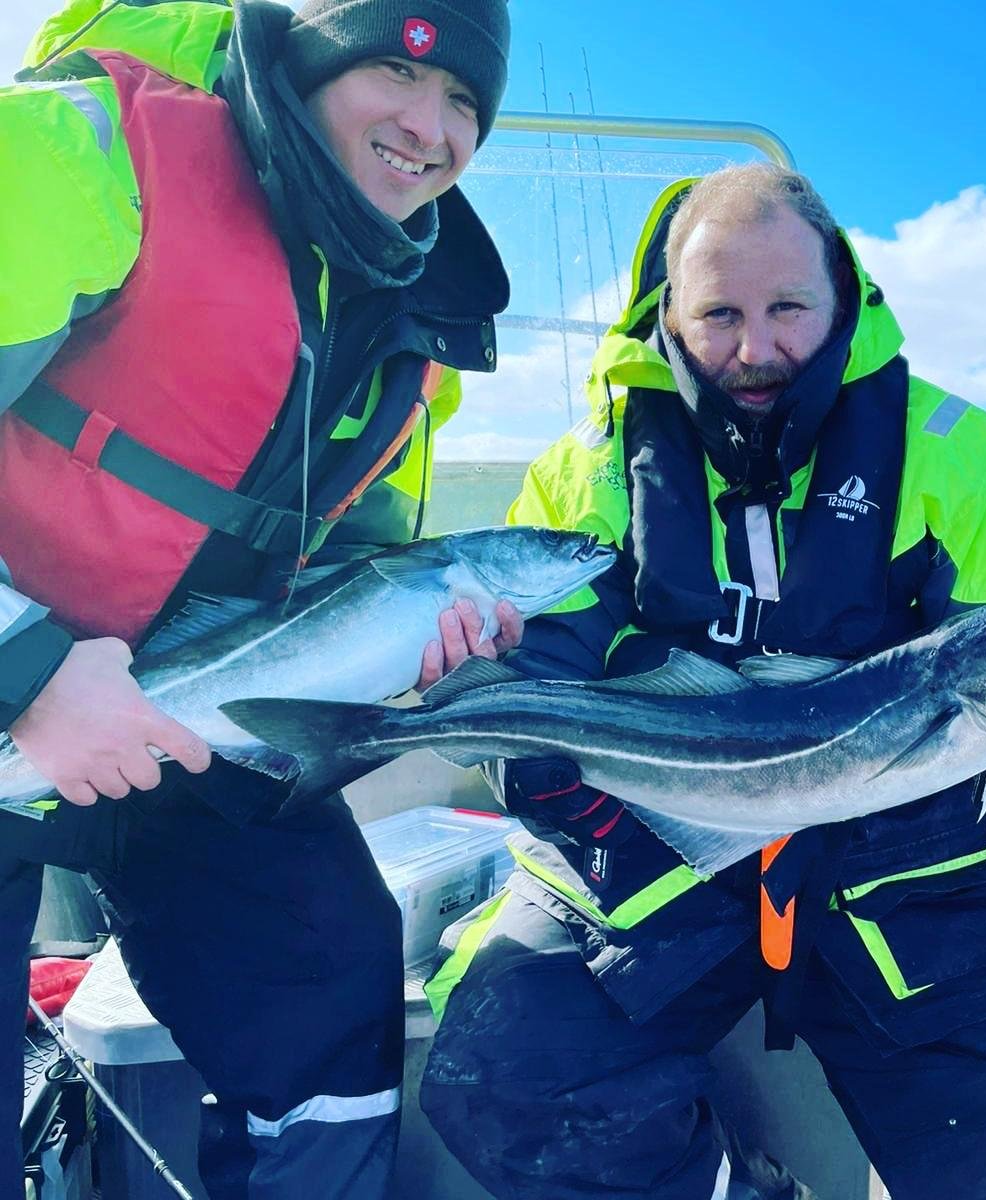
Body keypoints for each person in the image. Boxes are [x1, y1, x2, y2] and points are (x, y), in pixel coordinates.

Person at [419, 164, 986, 1200]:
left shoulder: (968, 456)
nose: (755, 348)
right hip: (651, 851)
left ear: (841, 301)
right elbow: (543, 661)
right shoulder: (586, 471)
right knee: (503, 1077)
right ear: (667, 314)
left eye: (787, 309)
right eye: (719, 312)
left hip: (916, 873)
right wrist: (527, 757)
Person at [0, 0, 516, 1195]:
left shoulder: (417, 331)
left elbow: (348, 568)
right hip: (23, 682)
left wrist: (417, 654)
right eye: (399, 68)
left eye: (463, 106)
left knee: (328, 964)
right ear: (310, 51)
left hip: (187, 723)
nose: (428, 128)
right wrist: (26, 670)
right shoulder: (80, 149)